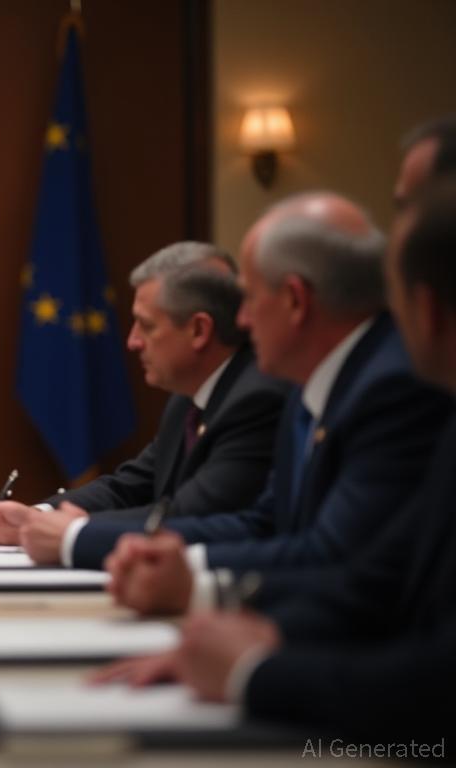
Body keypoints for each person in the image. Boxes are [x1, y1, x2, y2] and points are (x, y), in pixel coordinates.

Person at [109, 178, 456, 743]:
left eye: (248, 298)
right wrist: (232, 626)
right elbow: (369, 578)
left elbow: (428, 664)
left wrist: (252, 670)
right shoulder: (305, 385)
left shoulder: (392, 388)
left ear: (428, 309)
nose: (241, 322)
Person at [0, 242, 288, 567]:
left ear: (199, 330)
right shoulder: (188, 398)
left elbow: (193, 514)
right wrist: (38, 516)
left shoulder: (257, 397)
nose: (133, 341)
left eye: (147, 326)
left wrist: (74, 534)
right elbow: (130, 486)